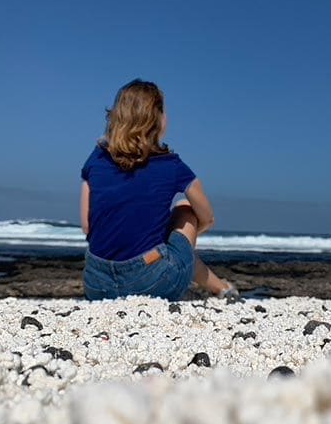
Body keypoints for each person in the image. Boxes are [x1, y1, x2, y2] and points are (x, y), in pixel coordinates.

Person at [79, 79, 237, 301]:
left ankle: (221, 288)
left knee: (164, 243)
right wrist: (169, 239)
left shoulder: (96, 158)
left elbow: (87, 225)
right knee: (185, 209)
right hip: (152, 282)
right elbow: (208, 218)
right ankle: (222, 289)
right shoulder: (171, 165)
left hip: (97, 284)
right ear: (158, 120)